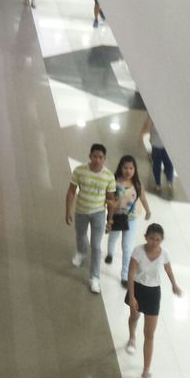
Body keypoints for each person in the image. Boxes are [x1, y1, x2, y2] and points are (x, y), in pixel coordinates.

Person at [125, 223, 182, 378]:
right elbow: (131, 273)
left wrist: (174, 285)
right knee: (134, 316)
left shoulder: (164, 254)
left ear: (162, 240)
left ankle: (146, 371)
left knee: (149, 334)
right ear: (146, 237)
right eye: (151, 239)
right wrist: (132, 297)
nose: (154, 242)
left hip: (153, 293)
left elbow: (168, 270)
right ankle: (132, 337)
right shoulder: (138, 251)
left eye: (158, 240)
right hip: (137, 288)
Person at [66, 143, 117, 293]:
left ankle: (94, 277)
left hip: (98, 213)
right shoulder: (79, 171)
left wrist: (110, 220)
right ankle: (81, 252)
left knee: (96, 246)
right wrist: (67, 210)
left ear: (104, 159)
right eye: (95, 156)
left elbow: (110, 199)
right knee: (80, 234)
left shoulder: (108, 176)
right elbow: (71, 191)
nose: (97, 160)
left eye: (100, 157)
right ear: (90, 156)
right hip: (81, 210)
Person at [105, 155, 151, 285]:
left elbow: (143, 198)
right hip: (116, 216)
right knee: (113, 238)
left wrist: (148, 210)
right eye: (125, 167)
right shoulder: (114, 181)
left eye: (131, 168)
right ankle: (110, 253)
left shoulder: (137, 184)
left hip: (131, 219)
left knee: (127, 247)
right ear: (120, 167)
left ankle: (124, 275)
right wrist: (109, 219)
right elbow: (109, 200)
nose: (128, 171)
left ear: (135, 169)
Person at [140, 115, 174, 195]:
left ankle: (162, 183)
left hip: (159, 146)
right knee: (164, 164)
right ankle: (165, 182)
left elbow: (146, 129)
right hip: (160, 146)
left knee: (161, 165)